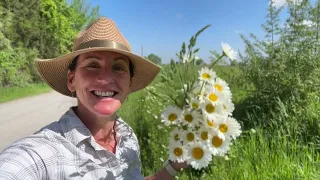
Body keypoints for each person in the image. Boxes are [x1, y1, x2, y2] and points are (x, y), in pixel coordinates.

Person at [0, 17, 187, 179]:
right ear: (71, 80)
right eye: (92, 65)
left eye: (118, 67)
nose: (106, 79)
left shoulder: (127, 137)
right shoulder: (43, 153)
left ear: (129, 84)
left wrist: (173, 167)